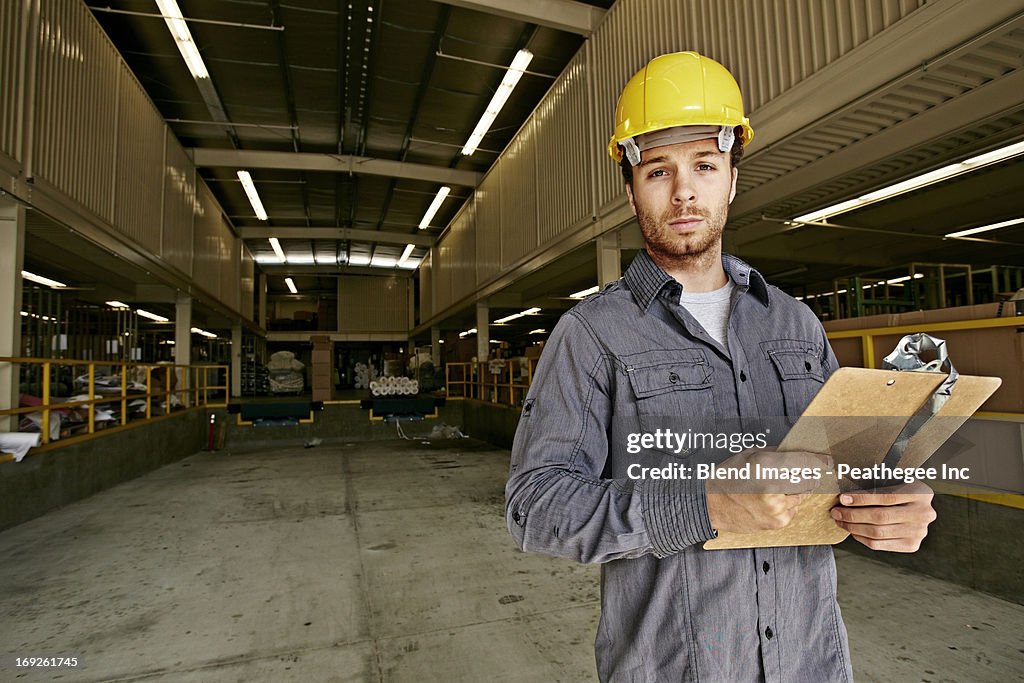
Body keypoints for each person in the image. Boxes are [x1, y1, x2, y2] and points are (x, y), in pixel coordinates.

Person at [505, 52, 936, 682]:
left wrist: (892, 502)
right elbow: (534, 508)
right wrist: (705, 505)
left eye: (704, 166)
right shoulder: (591, 335)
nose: (683, 192)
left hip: (809, 663)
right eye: (658, 171)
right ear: (631, 189)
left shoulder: (796, 324)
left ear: (732, 180)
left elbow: (851, 468)